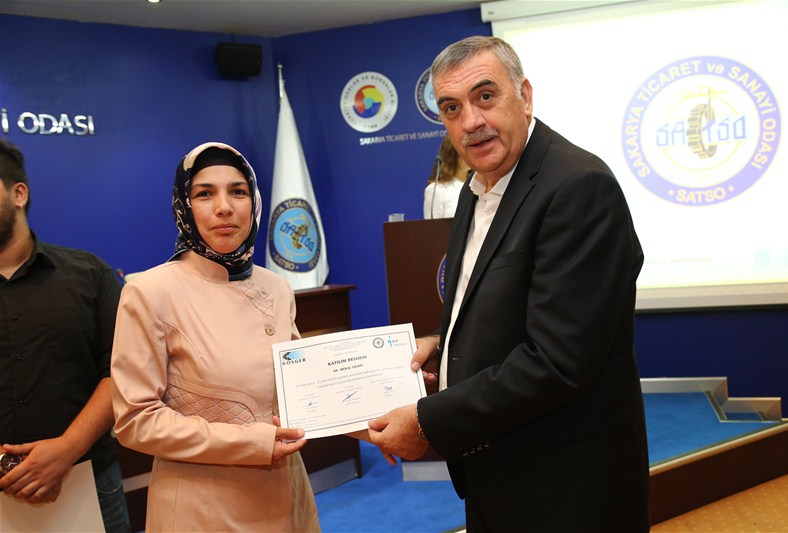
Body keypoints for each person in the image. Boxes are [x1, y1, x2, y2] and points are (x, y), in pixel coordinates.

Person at [368, 36, 650, 532]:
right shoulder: (478, 188)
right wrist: (444, 345)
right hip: (497, 476)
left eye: (485, 96)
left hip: (567, 488)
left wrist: (428, 421)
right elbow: (501, 307)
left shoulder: (578, 186)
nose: (470, 121)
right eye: (451, 108)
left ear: (525, 96)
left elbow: (558, 361)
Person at [110, 142, 319, 532]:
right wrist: (250, 443)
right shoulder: (150, 292)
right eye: (205, 194)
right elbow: (136, 420)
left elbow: (301, 386)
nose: (224, 207)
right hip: (204, 508)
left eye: (237, 191)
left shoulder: (276, 287)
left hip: (289, 493)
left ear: (253, 201)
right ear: (184, 206)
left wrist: (375, 406)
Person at [0, 138, 131, 532]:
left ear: (18, 194)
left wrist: (67, 449)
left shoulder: (90, 275)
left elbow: (122, 371)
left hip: (89, 482)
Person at [423, 135, 471, 219]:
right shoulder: (436, 190)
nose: (471, 155)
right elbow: (432, 226)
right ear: (452, 154)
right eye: (465, 150)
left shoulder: (479, 185)